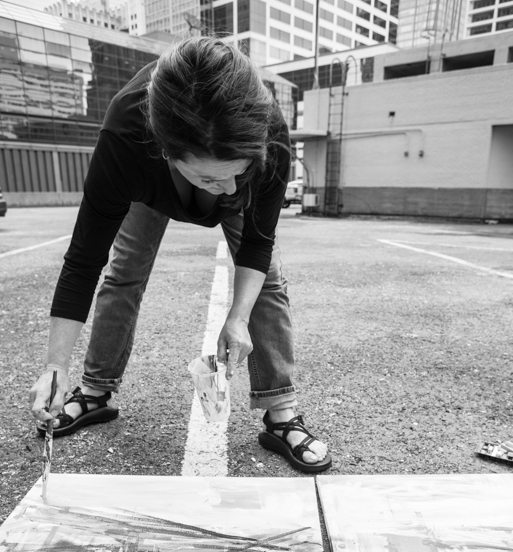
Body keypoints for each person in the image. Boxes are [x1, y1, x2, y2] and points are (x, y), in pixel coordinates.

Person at [30, 36, 331, 474]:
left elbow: (258, 241)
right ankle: (95, 391)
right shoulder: (126, 136)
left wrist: (238, 317)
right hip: (150, 183)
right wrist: (55, 365)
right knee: (123, 272)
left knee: (267, 279)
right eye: (211, 179)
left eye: (236, 173)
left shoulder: (268, 136)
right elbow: (83, 261)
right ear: (167, 152)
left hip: (225, 160)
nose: (228, 190)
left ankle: (280, 411)